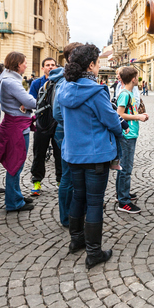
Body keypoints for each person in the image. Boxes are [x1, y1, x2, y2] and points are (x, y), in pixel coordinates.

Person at [57, 44, 122, 269]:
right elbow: (112, 121)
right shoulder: (96, 91)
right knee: (94, 202)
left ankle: (77, 241)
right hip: (95, 155)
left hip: (73, 152)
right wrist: (119, 127)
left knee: (78, 197)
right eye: (97, 62)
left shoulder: (65, 88)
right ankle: (94, 252)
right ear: (92, 65)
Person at [0, 52, 37, 212]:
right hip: (17, 127)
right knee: (15, 164)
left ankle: (15, 196)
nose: (26, 65)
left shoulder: (7, 77)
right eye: (24, 62)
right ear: (18, 64)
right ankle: (13, 202)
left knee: (16, 163)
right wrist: (41, 102)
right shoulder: (11, 81)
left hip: (15, 124)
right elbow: (29, 101)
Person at [52, 42, 82, 228]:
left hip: (68, 131)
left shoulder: (68, 78)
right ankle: (67, 217)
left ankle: (75, 212)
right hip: (66, 131)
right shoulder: (65, 81)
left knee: (72, 175)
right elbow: (57, 112)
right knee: (68, 176)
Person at [115, 66, 149, 214]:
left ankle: (121, 194)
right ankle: (123, 201)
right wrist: (138, 117)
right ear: (133, 79)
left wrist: (141, 115)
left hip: (131, 134)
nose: (138, 79)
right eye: (137, 77)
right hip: (126, 135)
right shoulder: (124, 94)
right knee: (126, 168)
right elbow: (120, 114)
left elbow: (130, 111)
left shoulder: (129, 93)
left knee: (124, 166)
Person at [28, 57, 62, 195]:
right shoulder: (37, 83)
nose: (50, 67)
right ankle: (36, 182)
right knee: (39, 153)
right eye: (47, 65)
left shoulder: (61, 82)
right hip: (41, 123)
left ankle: (61, 181)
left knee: (59, 154)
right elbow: (30, 100)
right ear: (43, 68)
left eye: (53, 65)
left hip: (57, 123)